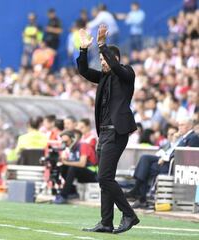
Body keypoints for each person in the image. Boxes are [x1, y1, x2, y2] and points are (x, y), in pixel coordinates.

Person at [77, 25, 139, 233]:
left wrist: (102, 45)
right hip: (103, 132)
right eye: (101, 59)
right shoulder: (103, 77)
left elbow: (115, 65)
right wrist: (84, 50)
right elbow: (84, 71)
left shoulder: (127, 74)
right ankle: (106, 222)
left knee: (104, 177)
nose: (102, 62)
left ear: (115, 59)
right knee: (104, 179)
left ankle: (129, 214)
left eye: (105, 59)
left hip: (116, 131)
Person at [126, 118, 199, 208]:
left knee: (147, 167)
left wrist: (167, 158)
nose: (179, 127)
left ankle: (139, 195)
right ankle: (138, 193)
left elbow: (185, 154)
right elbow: (172, 150)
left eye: (182, 125)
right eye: (179, 125)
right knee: (145, 159)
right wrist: (174, 140)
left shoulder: (193, 137)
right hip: (167, 160)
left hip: (173, 165)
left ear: (189, 126)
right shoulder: (183, 137)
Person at [53, 130, 98, 204]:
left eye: (66, 142)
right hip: (82, 173)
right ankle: (72, 191)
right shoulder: (72, 149)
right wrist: (64, 161)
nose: (65, 144)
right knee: (62, 167)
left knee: (72, 168)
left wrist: (66, 162)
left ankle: (63, 195)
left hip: (92, 174)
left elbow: (82, 164)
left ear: (72, 139)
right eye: (63, 142)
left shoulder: (83, 145)